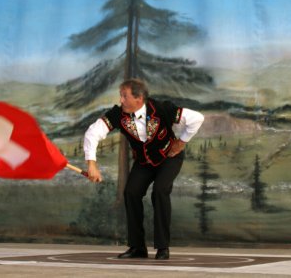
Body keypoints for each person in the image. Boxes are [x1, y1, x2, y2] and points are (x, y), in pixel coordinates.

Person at [83, 78, 204, 260]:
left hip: (168, 157)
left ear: (139, 98)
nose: (121, 100)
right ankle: (137, 247)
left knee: (160, 191)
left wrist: (181, 142)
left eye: (125, 96)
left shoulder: (161, 108)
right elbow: (93, 132)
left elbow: (197, 118)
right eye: (120, 96)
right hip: (143, 162)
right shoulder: (118, 114)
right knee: (131, 193)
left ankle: (163, 247)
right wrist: (91, 163)